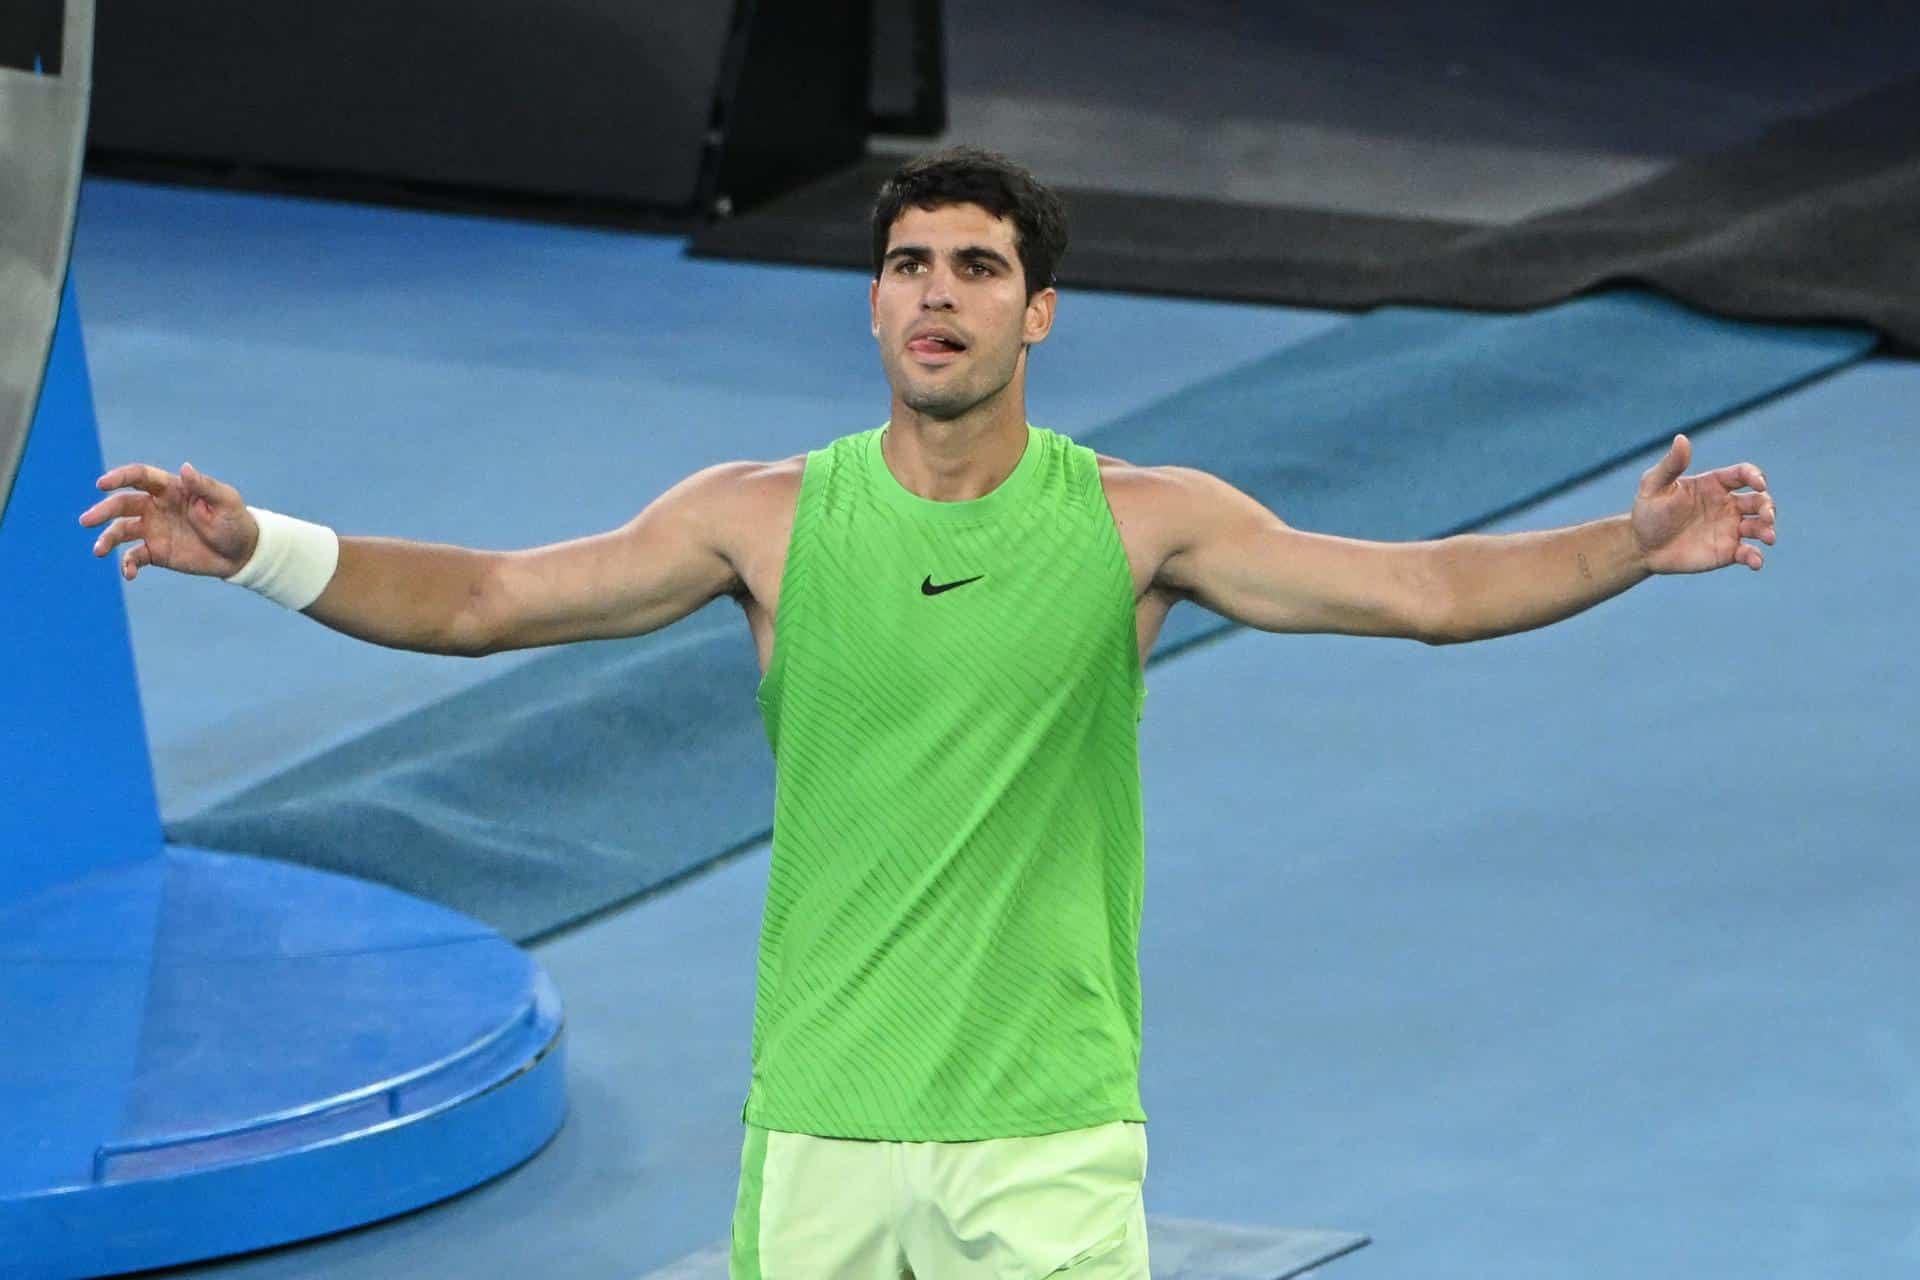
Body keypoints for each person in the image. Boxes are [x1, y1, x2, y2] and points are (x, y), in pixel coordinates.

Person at [79, 146, 1776, 1279]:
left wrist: (1625, 547)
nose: (937, 293)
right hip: (821, 1122)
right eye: (908, 264)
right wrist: (262, 552)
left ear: (1038, 314)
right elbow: (488, 601)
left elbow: (1418, 595)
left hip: (1044, 1129)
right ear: (877, 303)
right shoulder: (761, 518)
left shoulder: (1141, 523)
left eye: (976, 266)